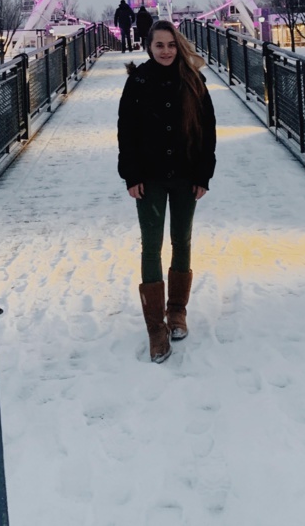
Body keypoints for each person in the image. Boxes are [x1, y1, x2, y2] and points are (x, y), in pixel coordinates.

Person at [117, 19, 216, 363]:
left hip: (186, 174)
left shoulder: (194, 81)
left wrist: (204, 174)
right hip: (150, 177)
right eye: (159, 45)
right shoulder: (138, 82)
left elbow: (207, 131)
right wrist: (130, 175)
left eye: (171, 45)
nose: (166, 51)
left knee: (182, 239)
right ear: (149, 47)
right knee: (151, 245)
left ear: (179, 46)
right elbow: (125, 131)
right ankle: (155, 327)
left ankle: (177, 311)